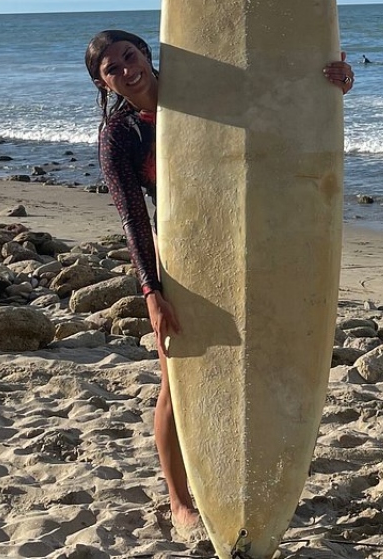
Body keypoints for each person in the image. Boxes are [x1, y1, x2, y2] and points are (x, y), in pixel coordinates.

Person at [84, 30, 354, 537]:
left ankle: (238, 478)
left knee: (251, 363)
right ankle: (179, 501)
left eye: (129, 56)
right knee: (178, 380)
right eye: (112, 70)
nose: (126, 70)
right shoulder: (120, 135)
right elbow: (132, 218)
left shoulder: (200, 90)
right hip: (181, 257)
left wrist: (334, 83)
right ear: (104, 85)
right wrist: (152, 292)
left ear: (145, 52)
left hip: (247, 234)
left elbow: (272, 96)